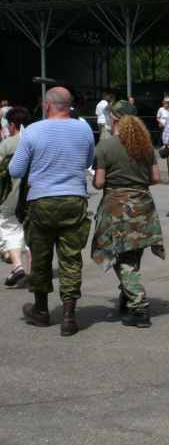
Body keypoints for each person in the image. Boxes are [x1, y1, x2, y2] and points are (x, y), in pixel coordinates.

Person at [10, 87, 96, 335]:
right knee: (71, 258)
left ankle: (41, 310)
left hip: (41, 201)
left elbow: (16, 170)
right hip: (74, 199)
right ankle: (69, 317)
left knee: (40, 255)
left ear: (47, 104)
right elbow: (88, 161)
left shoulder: (34, 130)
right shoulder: (84, 128)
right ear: (69, 104)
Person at [92, 100, 164, 327]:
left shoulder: (105, 147)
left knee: (121, 258)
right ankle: (128, 296)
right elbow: (155, 178)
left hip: (117, 208)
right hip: (143, 206)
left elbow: (99, 182)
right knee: (133, 255)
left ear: (113, 119)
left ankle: (140, 307)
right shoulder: (145, 145)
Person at [0, 106, 31, 287]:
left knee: (10, 230)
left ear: (12, 125)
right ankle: (31, 271)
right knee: (30, 234)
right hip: (31, 196)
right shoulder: (35, 141)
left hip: (10, 197)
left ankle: (17, 266)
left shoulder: (6, 145)